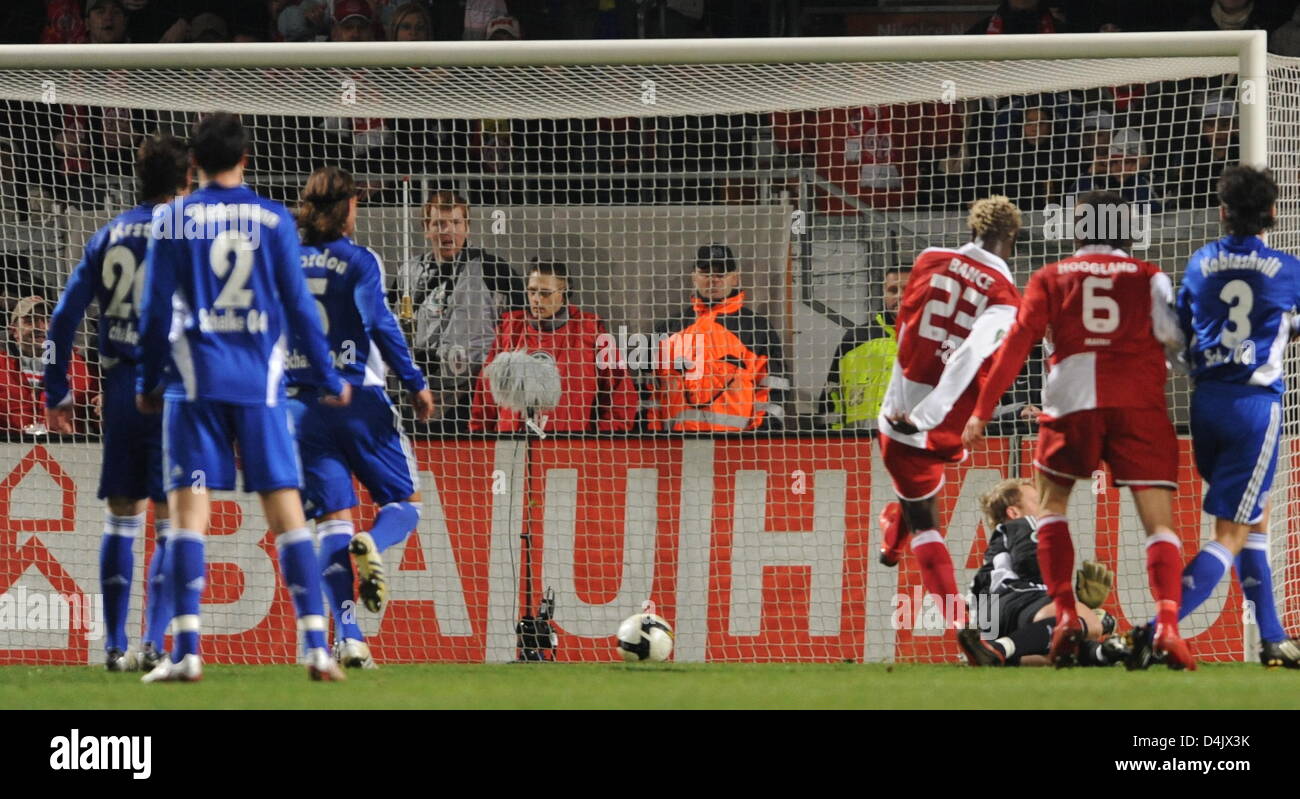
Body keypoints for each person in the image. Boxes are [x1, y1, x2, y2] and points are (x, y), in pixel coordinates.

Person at [136, 112, 351, 683]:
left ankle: (186, 650)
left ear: (194, 165)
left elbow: (155, 310)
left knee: (187, 518)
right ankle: (315, 646)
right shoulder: (274, 218)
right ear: (245, 160)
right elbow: (301, 308)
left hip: (194, 382)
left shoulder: (173, 219)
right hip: (260, 385)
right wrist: (328, 378)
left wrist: (146, 382)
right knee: (285, 512)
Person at [963, 190, 1195, 669]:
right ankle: (1169, 625)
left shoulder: (1051, 277)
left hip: (1070, 403)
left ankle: (1066, 614)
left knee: (1052, 510)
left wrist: (982, 411)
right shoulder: (1150, 277)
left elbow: (1014, 348)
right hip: (1137, 403)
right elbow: (1177, 343)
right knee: (1158, 525)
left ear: (1079, 229)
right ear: (1127, 230)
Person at [1143, 165, 1300, 669]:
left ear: (1222, 212)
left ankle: (1272, 637)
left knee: (1254, 516)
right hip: (1253, 407)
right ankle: (1150, 632)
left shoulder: (1202, 261)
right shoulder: (1288, 267)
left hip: (1204, 404)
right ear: (1272, 214)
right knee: (1229, 533)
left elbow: (1182, 326)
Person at [43, 132, 189, 673]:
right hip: (174, 390)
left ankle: (113, 644)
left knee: (121, 519)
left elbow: (62, 320)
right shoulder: (191, 235)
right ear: (184, 182)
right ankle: (154, 642)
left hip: (121, 392)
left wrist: (55, 387)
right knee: (174, 522)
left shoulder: (107, 235)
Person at [286, 166, 435, 670]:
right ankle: (373, 540)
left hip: (301, 408)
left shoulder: (281, 260)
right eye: (354, 203)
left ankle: (347, 637)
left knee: (330, 524)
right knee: (405, 503)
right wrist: (415, 382)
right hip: (358, 399)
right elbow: (379, 322)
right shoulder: (359, 259)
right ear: (345, 208)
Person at [875, 196, 1023, 642]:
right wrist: (927, 415)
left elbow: (905, 325)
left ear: (972, 227)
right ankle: (961, 627)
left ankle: (890, 535)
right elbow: (969, 353)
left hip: (902, 409)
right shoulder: (1005, 297)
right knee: (927, 522)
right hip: (927, 422)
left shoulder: (928, 258)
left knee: (919, 492)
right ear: (1011, 237)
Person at [958, 477, 1128, 667]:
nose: (1043, 506)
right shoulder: (1025, 523)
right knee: (1088, 622)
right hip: (1014, 597)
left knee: (1057, 651)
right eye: (1037, 501)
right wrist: (1077, 603)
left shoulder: (998, 546)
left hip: (991, 616)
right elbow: (1029, 561)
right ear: (1013, 512)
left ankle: (1101, 653)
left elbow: (975, 596)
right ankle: (1000, 648)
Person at [395, 190, 523, 433]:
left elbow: (522, 321)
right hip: (421, 392)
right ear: (427, 228)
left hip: (471, 394)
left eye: (455, 222)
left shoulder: (491, 268)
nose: (448, 231)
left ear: (467, 227)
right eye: (439, 223)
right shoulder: (409, 272)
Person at [471, 260, 638, 433]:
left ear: (564, 293)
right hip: (511, 446)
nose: (536, 299)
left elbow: (621, 397)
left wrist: (596, 445)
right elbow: (485, 396)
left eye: (545, 293)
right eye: (532, 291)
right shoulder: (509, 328)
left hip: (570, 449)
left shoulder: (591, 331)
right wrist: (479, 441)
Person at [644, 243, 788, 433]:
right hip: (674, 447)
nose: (713, 280)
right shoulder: (668, 330)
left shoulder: (756, 329)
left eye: (721, 274)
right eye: (706, 273)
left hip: (735, 449)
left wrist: (760, 438)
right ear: (693, 278)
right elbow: (650, 391)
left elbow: (772, 391)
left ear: (735, 278)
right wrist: (650, 437)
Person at [820, 267, 909, 431]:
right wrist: (831, 441)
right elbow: (832, 396)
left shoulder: (945, 340)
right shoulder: (856, 339)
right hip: (859, 448)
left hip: (924, 447)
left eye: (908, 289)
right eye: (892, 290)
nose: (899, 296)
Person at [0, 296, 93, 435]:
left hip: (67, 452)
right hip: (9, 452)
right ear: (14, 331)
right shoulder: (2, 366)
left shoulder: (78, 365)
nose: (41, 327)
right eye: (30, 320)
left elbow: (98, 416)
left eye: (47, 320)